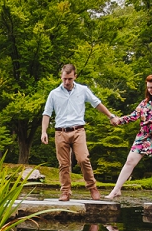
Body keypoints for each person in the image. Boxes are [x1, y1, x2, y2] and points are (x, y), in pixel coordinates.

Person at [40, 64, 117, 201]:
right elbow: (47, 113)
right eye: (64, 79)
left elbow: (96, 103)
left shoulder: (83, 90)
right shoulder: (54, 93)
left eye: (69, 79)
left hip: (78, 130)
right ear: (61, 77)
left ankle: (92, 188)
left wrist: (110, 116)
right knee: (63, 164)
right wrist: (44, 131)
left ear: (75, 76)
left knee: (83, 159)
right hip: (60, 132)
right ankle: (65, 192)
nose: (67, 82)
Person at [105, 74, 152, 204]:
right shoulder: (145, 102)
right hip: (143, 135)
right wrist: (119, 120)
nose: (150, 90)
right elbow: (133, 116)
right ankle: (116, 189)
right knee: (130, 161)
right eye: (148, 87)